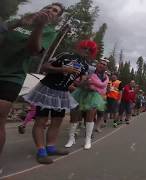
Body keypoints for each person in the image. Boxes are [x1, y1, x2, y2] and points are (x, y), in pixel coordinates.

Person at [0, 2, 64, 165]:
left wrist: (39, 27)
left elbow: (33, 50)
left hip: (11, 77)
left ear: (56, 18)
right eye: (49, 7)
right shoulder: (22, 20)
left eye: (55, 11)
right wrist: (18, 23)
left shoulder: (48, 31)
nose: (50, 10)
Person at [23, 40, 96, 164]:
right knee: (41, 121)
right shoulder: (65, 55)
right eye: (84, 48)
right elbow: (44, 67)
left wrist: (86, 83)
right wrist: (62, 69)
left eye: (90, 50)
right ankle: (41, 151)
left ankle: (50, 147)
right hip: (46, 90)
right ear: (79, 47)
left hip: (62, 93)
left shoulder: (85, 65)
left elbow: (79, 83)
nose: (86, 51)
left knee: (57, 121)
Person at [65, 59, 108, 149]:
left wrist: (94, 88)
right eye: (101, 63)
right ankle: (71, 138)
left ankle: (88, 140)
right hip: (81, 94)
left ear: (105, 67)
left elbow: (103, 88)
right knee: (74, 117)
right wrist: (85, 83)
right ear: (97, 64)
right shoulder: (88, 71)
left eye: (104, 64)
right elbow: (76, 82)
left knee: (90, 117)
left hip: (94, 97)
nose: (102, 65)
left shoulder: (104, 77)